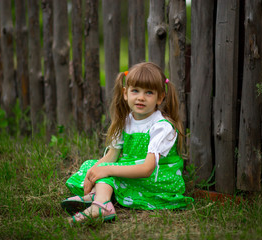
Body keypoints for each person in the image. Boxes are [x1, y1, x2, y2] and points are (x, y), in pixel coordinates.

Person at [61, 62, 194, 224]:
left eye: (149, 92)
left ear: (160, 97)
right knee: (90, 166)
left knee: (110, 172)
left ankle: (100, 205)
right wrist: (96, 171)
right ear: (125, 93)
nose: (141, 97)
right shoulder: (126, 121)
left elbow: (147, 169)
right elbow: (112, 156)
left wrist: (107, 170)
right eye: (135, 91)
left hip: (157, 180)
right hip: (133, 169)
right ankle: (99, 196)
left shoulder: (161, 127)